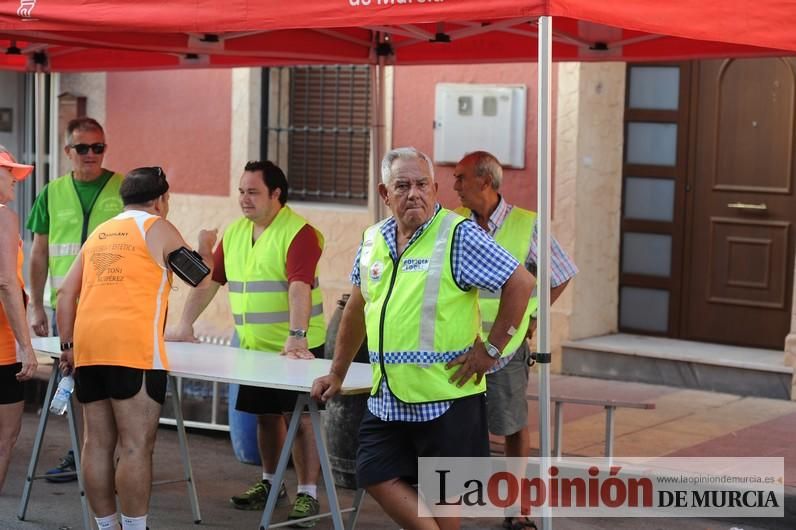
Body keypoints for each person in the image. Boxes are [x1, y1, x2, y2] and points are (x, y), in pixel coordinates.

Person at [311, 147, 535, 530]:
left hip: (446, 396)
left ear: (434, 188)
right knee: (373, 471)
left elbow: (521, 283)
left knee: (444, 501)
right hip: (388, 395)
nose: (413, 193)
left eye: (421, 185)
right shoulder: (372, 239)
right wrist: (337, 373)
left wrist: (492, 350)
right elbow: (356, 308)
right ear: (385, 194)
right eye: (402, 185)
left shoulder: (456, 234)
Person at [56, 167, 216, 530]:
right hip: (134, 350)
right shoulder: (156, 227)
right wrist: (206, 245)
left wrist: (67, 345)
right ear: (161, 200)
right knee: (134, 446)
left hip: (89, 348)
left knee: (95, 444)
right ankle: (133, 527)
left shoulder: (100, 232)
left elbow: (66, 293)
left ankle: (106, 525)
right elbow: (201, 278)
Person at [169, 161, 325, 527]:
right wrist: (183, 324)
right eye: (241, 191)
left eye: (253, 192)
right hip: (254, 350)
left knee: (299, 421)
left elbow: (299, 285)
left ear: (276, 194)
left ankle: (308, 494)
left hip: (296, 351)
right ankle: (270, 485)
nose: (244, 199)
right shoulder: (237, 233)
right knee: (265, 418)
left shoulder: (300, 232)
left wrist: (297, 336)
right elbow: (209, 283)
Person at [453, 150, 577, 530]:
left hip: (506, 349)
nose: (454, 185)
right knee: (455, 425)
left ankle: (518, 506)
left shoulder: (527, 225)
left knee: (511, 425)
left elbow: (561, 273)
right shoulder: (454, 224)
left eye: (461, 178)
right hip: (460, 345)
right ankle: (450, 501)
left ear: (486, 182)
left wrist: (533, 315)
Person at [26, 117, 124, 483]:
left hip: (113, 308)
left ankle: (110, 456)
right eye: (82, 148)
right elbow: (39, 253)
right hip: (67, 309)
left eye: (98, 147)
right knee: (78, 383)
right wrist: (36, 303)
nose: (91, 154)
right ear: (67, 151)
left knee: (116, 384)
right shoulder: (51, 192)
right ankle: (83, 453)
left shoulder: (123, 188)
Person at [0, 147, 37, 494]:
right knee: (4, 438)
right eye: (9, 172)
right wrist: (26, 348)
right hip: (2, 352)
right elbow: (8, 283)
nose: (14, 180)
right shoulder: (3, 216)